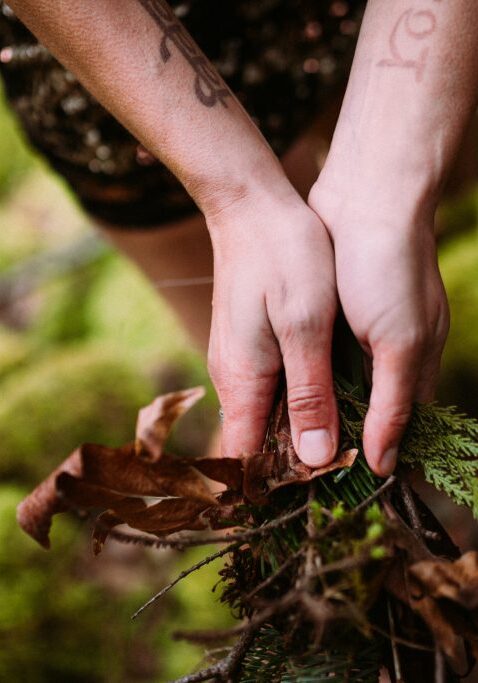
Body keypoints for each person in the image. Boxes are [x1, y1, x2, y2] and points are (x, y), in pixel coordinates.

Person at [2, 0, 478, 477]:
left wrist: (387, 187)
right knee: (272, 378)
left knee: (441, 189)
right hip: (113, 39)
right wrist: (236, 200)